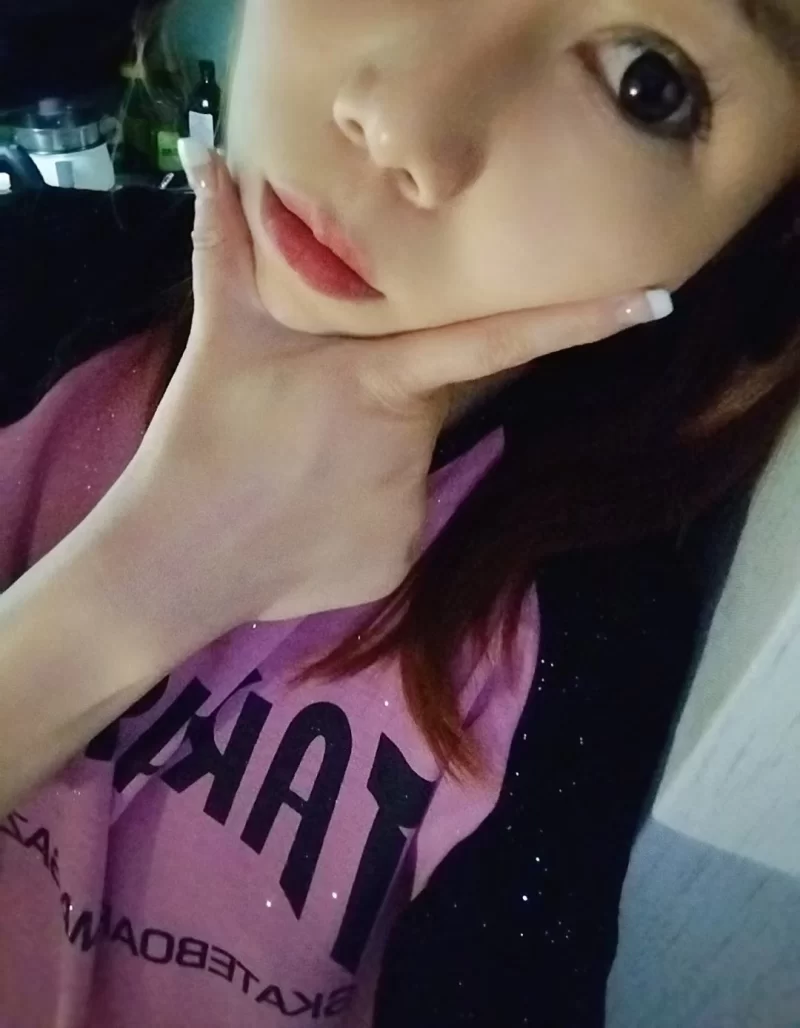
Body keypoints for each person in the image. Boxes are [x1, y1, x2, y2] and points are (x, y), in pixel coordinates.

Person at [0, 1, 798, 1025]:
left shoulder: (575, 639)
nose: (400, 124)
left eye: (647, 83)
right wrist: (143, 581)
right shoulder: (26, 285)